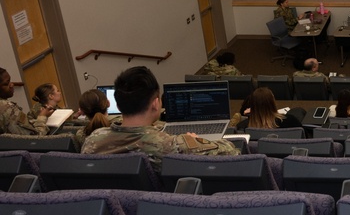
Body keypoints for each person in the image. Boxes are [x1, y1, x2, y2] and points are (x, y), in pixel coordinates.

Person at [81, 66, 239, 171]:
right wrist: (194, 140)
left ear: (118, 105)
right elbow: (232, 152)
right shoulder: (170, 145)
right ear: (156, 104)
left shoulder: (93, 140)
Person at [0, 68, 52, 135]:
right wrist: (43, 116)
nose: (12, 85)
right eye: (6, 84)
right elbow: (34, 138)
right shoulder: (6, 108)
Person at [236, 87, 305, 131]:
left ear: (252, 106)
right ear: (273, 103)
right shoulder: (290, 121)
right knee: (299, 111)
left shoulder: (242, 127)